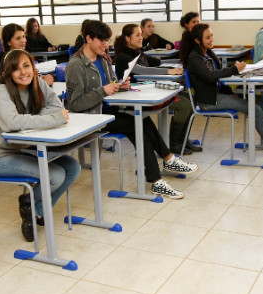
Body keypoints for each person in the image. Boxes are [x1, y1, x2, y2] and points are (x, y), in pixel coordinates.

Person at [66, 20, 197, 200]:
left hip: (108, 112)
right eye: (102, 41)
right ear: (89, 38)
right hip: (91, 119)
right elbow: (75, 104)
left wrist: (121, 85)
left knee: (142, 119)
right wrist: (103, 90)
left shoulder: (103, 59)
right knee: (137, 125)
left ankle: (165, 164)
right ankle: (161, 172)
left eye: (107, 40)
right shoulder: (76, 64)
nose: (106, 45)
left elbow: (112, 84)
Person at [0, 49, 80, 241]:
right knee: (55, 176)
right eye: (16, 69)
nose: (23, 72)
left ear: (33, 66)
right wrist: (52, 119)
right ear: (8, 73)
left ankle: (36, 209)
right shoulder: (1, 91)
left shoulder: (37, 82)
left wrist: (37, 118)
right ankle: (32, 207)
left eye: (26, 66)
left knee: (72, 167)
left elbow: (58, 108)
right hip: (0, 157)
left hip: (26, 149)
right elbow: (12, 123)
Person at [181, 23, 263, 161]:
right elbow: (211, 76)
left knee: (259, 100)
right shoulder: (195, 58)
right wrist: (234, 69)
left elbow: (217, 77)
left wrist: (233, 86)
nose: (211, 39)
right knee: (254, 108)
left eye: (212, 35)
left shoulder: (207, 53)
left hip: (220, 95)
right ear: (197, 40)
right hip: (208, 101)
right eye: (207, 37)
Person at [113, 23, 198, 154]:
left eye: (141, 35)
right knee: (184, 105)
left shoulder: (138, 53)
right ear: (127, 39)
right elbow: (142, 71)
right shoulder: (124, 57)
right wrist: (169, 71)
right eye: (137, 35)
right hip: (138, 99)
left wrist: (183, 61)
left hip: (150, 92)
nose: (141, 38)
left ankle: (183, 140)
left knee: (190, 100)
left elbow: (159, 62)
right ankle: (174, 144)